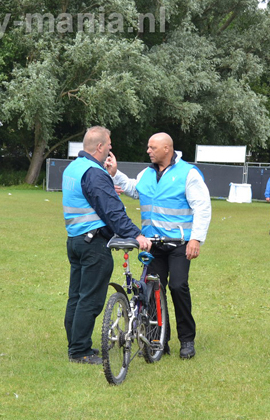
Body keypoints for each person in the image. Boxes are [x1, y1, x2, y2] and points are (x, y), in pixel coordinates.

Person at [107, 132, 212, 359]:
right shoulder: (147, 173)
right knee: (152, 290)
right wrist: (116, 174)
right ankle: (158, 339)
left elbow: (202, 207)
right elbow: (135, 190)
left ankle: (187, 340)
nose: (148, 150)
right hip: (153, 244)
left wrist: (196, 239)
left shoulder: (188, 173)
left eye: (152, 147)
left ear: (167, 149)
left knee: (177, 286)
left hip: (179, 243)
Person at [62, 126, 151, 365]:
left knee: (76, 296)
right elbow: (112, 212)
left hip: (76, 240)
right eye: (109, 145)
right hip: (94, 244)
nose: (111, 149)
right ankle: (80, 350)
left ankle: (75, 342)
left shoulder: (73, 168)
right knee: (90, 299)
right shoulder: (94, 173)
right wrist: (136, 235)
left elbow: (91, 199)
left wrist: (108, 181)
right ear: (100, 147)